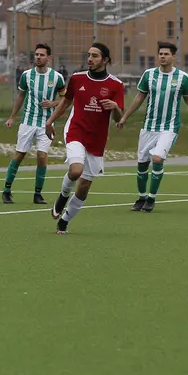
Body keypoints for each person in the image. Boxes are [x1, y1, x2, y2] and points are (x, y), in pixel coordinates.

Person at [44, 43, 126, 234]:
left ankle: (64, 221)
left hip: (97, 139)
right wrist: (49, 122)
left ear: (105, 60)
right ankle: (62, 197)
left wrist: (114, 107)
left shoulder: (116, 85)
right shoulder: (77, 78)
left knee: (84, 185)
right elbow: (66, 101)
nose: (90, 59)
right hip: (76, 130)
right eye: (89, 55)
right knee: (75, 170)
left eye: (95, 56)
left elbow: (118, 119)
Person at [117, 42, 188, 212]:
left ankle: (151, 198)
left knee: (157, 159)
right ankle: (141, 197)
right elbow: (139, 98)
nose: (162, 56)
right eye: (160, 54)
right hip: (149, 127)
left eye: (166, 54)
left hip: (169, 127)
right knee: (142, 164)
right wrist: (124, 117)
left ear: (173, 57)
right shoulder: (149, 75)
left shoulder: (182, 77)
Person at [1, 44, 65, 205]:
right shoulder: (26, 75)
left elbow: (66, 99)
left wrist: (53, 103)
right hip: (28, 122)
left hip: (47, 123)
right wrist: (12, 116)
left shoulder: (57, 77)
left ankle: (38, 194)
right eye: (36, 54)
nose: (38, 57)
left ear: (49, 58)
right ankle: (7, 190)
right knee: (19, 154)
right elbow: (21, 96)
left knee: (42, 157)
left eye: (42, 55)